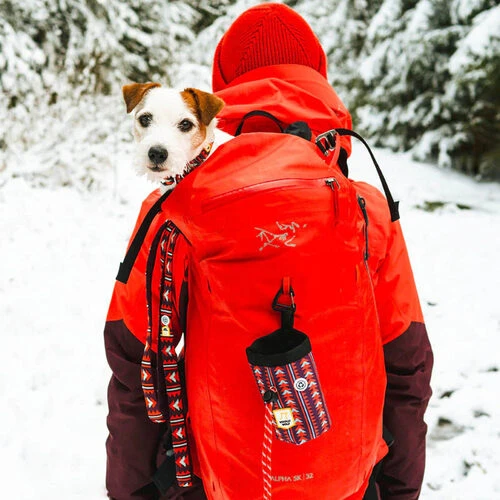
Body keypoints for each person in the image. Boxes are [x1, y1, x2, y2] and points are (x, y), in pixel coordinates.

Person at [105, 4, 433, 499]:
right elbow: (409, 364)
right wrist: (399, 491)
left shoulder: (176, 210)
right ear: (319, 80)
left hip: (220, 479)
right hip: (348, 481)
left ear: (222, 87)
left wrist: (133, 491)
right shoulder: (367, 210)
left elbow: (135, 364)